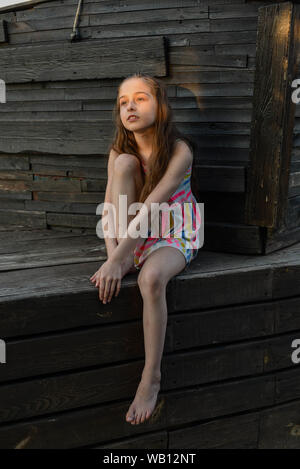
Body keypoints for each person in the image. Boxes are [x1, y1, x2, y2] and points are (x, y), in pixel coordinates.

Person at [90, 72, 202, 426]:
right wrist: (114, 259)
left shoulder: (179, 150)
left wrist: (122, 259)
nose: (130, 106)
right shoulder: (119, 151)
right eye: (123, 102)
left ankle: (150, 377)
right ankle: (125, 259)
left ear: (161, 106)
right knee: (124, 164)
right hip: (131, 236)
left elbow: (153, 205)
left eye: (140, 98)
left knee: (151, 280)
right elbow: (110, 209)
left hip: (172, 231)